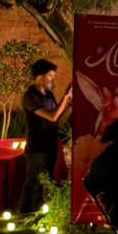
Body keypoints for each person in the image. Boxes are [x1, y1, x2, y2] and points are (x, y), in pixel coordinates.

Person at [18, 58, 72, 216]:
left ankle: (38, 215)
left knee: (44, 184)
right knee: (33, 182)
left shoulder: (48, 95)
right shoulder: (30, 97)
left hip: (50, 146)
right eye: (50, 76)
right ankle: (24, 215)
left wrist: (70, 106)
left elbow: (59, 120)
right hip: (37, 148)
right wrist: (66, 97)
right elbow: (52, 117)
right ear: (40, 77)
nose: (53, 79)